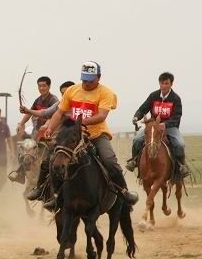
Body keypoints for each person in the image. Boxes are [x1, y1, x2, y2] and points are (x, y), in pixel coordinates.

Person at [30, 61, 139, 210]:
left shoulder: (106, 93)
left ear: (98, 78)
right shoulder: (72, 91)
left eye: (90, 80)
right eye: (84, 80)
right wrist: (50, 128)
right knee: (51, 160)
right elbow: (59, 112)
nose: (86, 83)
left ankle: (124, 192)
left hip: (96, 134)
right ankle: (44, 191)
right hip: (72, 135)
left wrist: (81, 123)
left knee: (109, 160)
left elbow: (101, 116)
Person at [126, 72, 189, 177]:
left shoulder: (175, 98)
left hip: (170, 127)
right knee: (137, 139)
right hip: (153, 127)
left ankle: (181, 167)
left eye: (166, 83)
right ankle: (134, 161)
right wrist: (136, 117)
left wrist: (165, 124)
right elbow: (143, 109)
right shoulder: (153, 95)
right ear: (159, 83)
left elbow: (177, 116)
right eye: (162, 83)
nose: (164, 86)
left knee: (180, 144)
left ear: (171, 84)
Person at [9, 76, 60, 183]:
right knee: (25, 150)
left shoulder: (53, 100)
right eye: (39, 86)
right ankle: (20, 173)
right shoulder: (38, 100)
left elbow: (54, 115)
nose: (41, 88)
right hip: (37, 132)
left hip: (50, 132)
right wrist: (21, 123)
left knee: (51, 152)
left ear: (49, 86)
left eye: (44, 86)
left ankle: (55, 173)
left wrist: (47, 124)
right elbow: (30, 112)